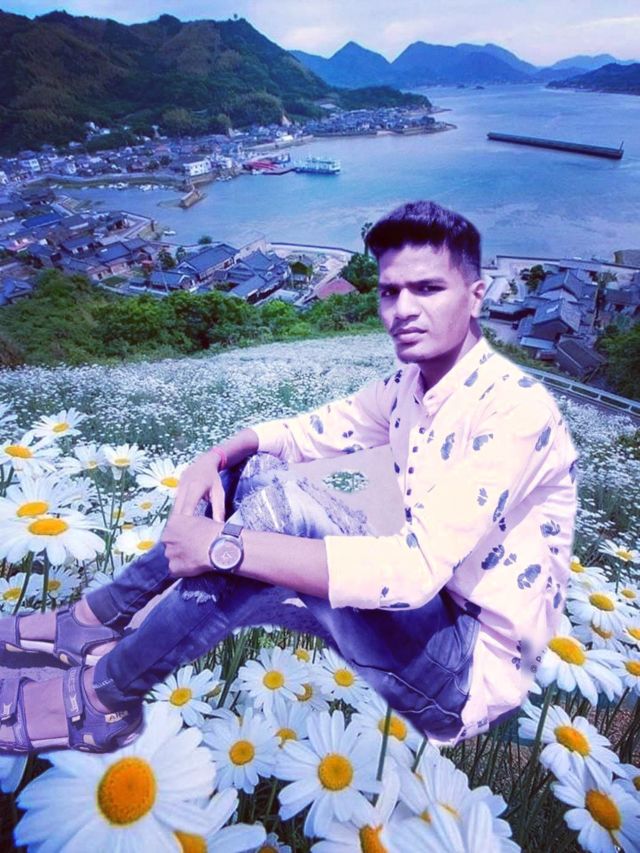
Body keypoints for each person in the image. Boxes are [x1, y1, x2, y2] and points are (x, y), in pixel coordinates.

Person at [0, 200, 579, 753]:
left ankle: (102, 698)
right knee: (255, 469)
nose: (403, 309)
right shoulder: (411, 386)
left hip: (464, 669)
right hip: (427, 620)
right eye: (390, 291)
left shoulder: (513, 411)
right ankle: (97, 617)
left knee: (281, 517)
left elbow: (412, 573)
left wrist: (223, 547)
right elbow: (305, 433)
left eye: (428, 289)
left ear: (475, 296)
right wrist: (215, 457)